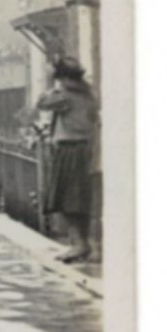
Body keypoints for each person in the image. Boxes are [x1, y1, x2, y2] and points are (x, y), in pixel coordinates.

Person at [37, 57, 98, 263]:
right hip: (85, 148)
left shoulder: (64, 95)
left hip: (68, 149)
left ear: (62, 77)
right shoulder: (88, 94)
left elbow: (41, 103)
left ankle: (79, 244)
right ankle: (81, 243)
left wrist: (52, 85)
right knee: (79, 197)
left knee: (66, 197)